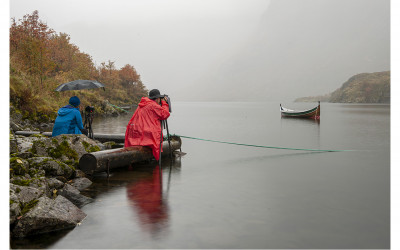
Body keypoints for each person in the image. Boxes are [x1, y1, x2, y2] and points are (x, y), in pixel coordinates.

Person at [124, 89, 170, 160]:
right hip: (146, 132)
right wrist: (164, 103)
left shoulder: (143, 103)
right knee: (155, 136)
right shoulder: (153, 105)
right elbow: (165, 114)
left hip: (135, 130)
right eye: (159, 99)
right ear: (157, 98)